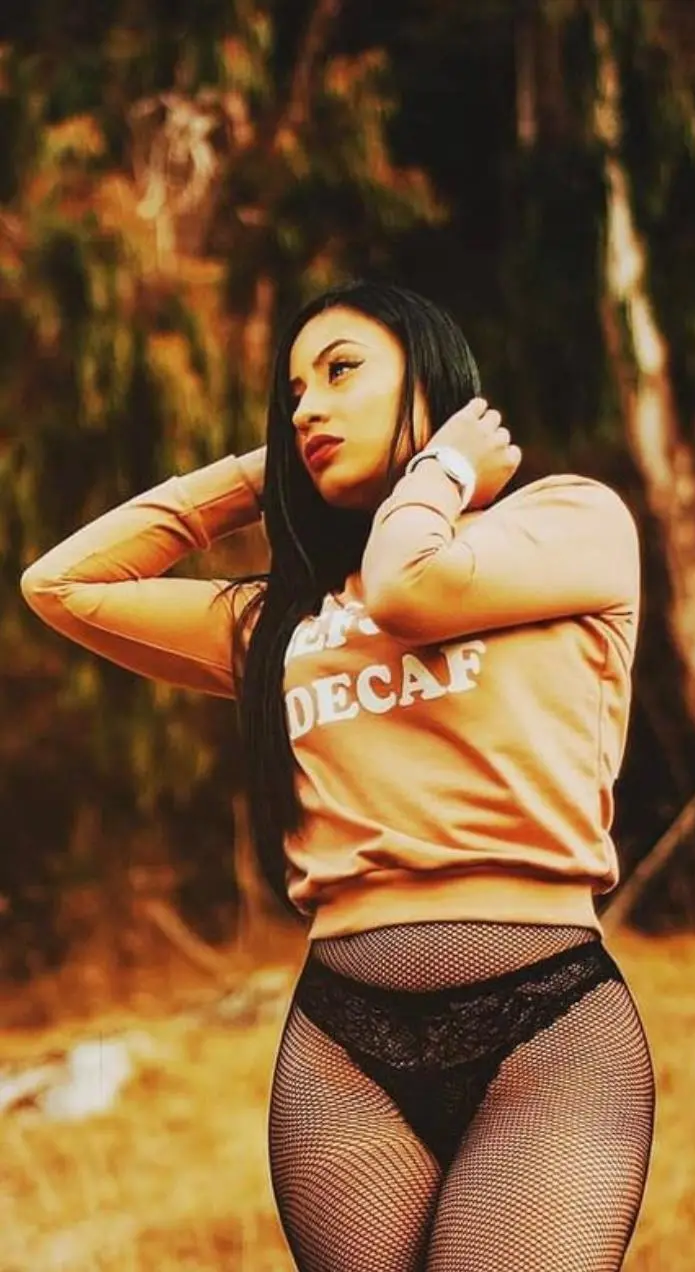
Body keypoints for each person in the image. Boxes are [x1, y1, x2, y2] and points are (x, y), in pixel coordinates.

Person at [21, 279, 656, 1271]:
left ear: (433, 379)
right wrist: (261, 473)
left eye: (341, 371)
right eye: (292, 397)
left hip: (547, 1029)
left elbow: (410, 586)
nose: (309, 408)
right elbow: (63, 585)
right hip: (342, 1049)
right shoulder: (284, 624)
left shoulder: (570, 522)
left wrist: (442, 468)